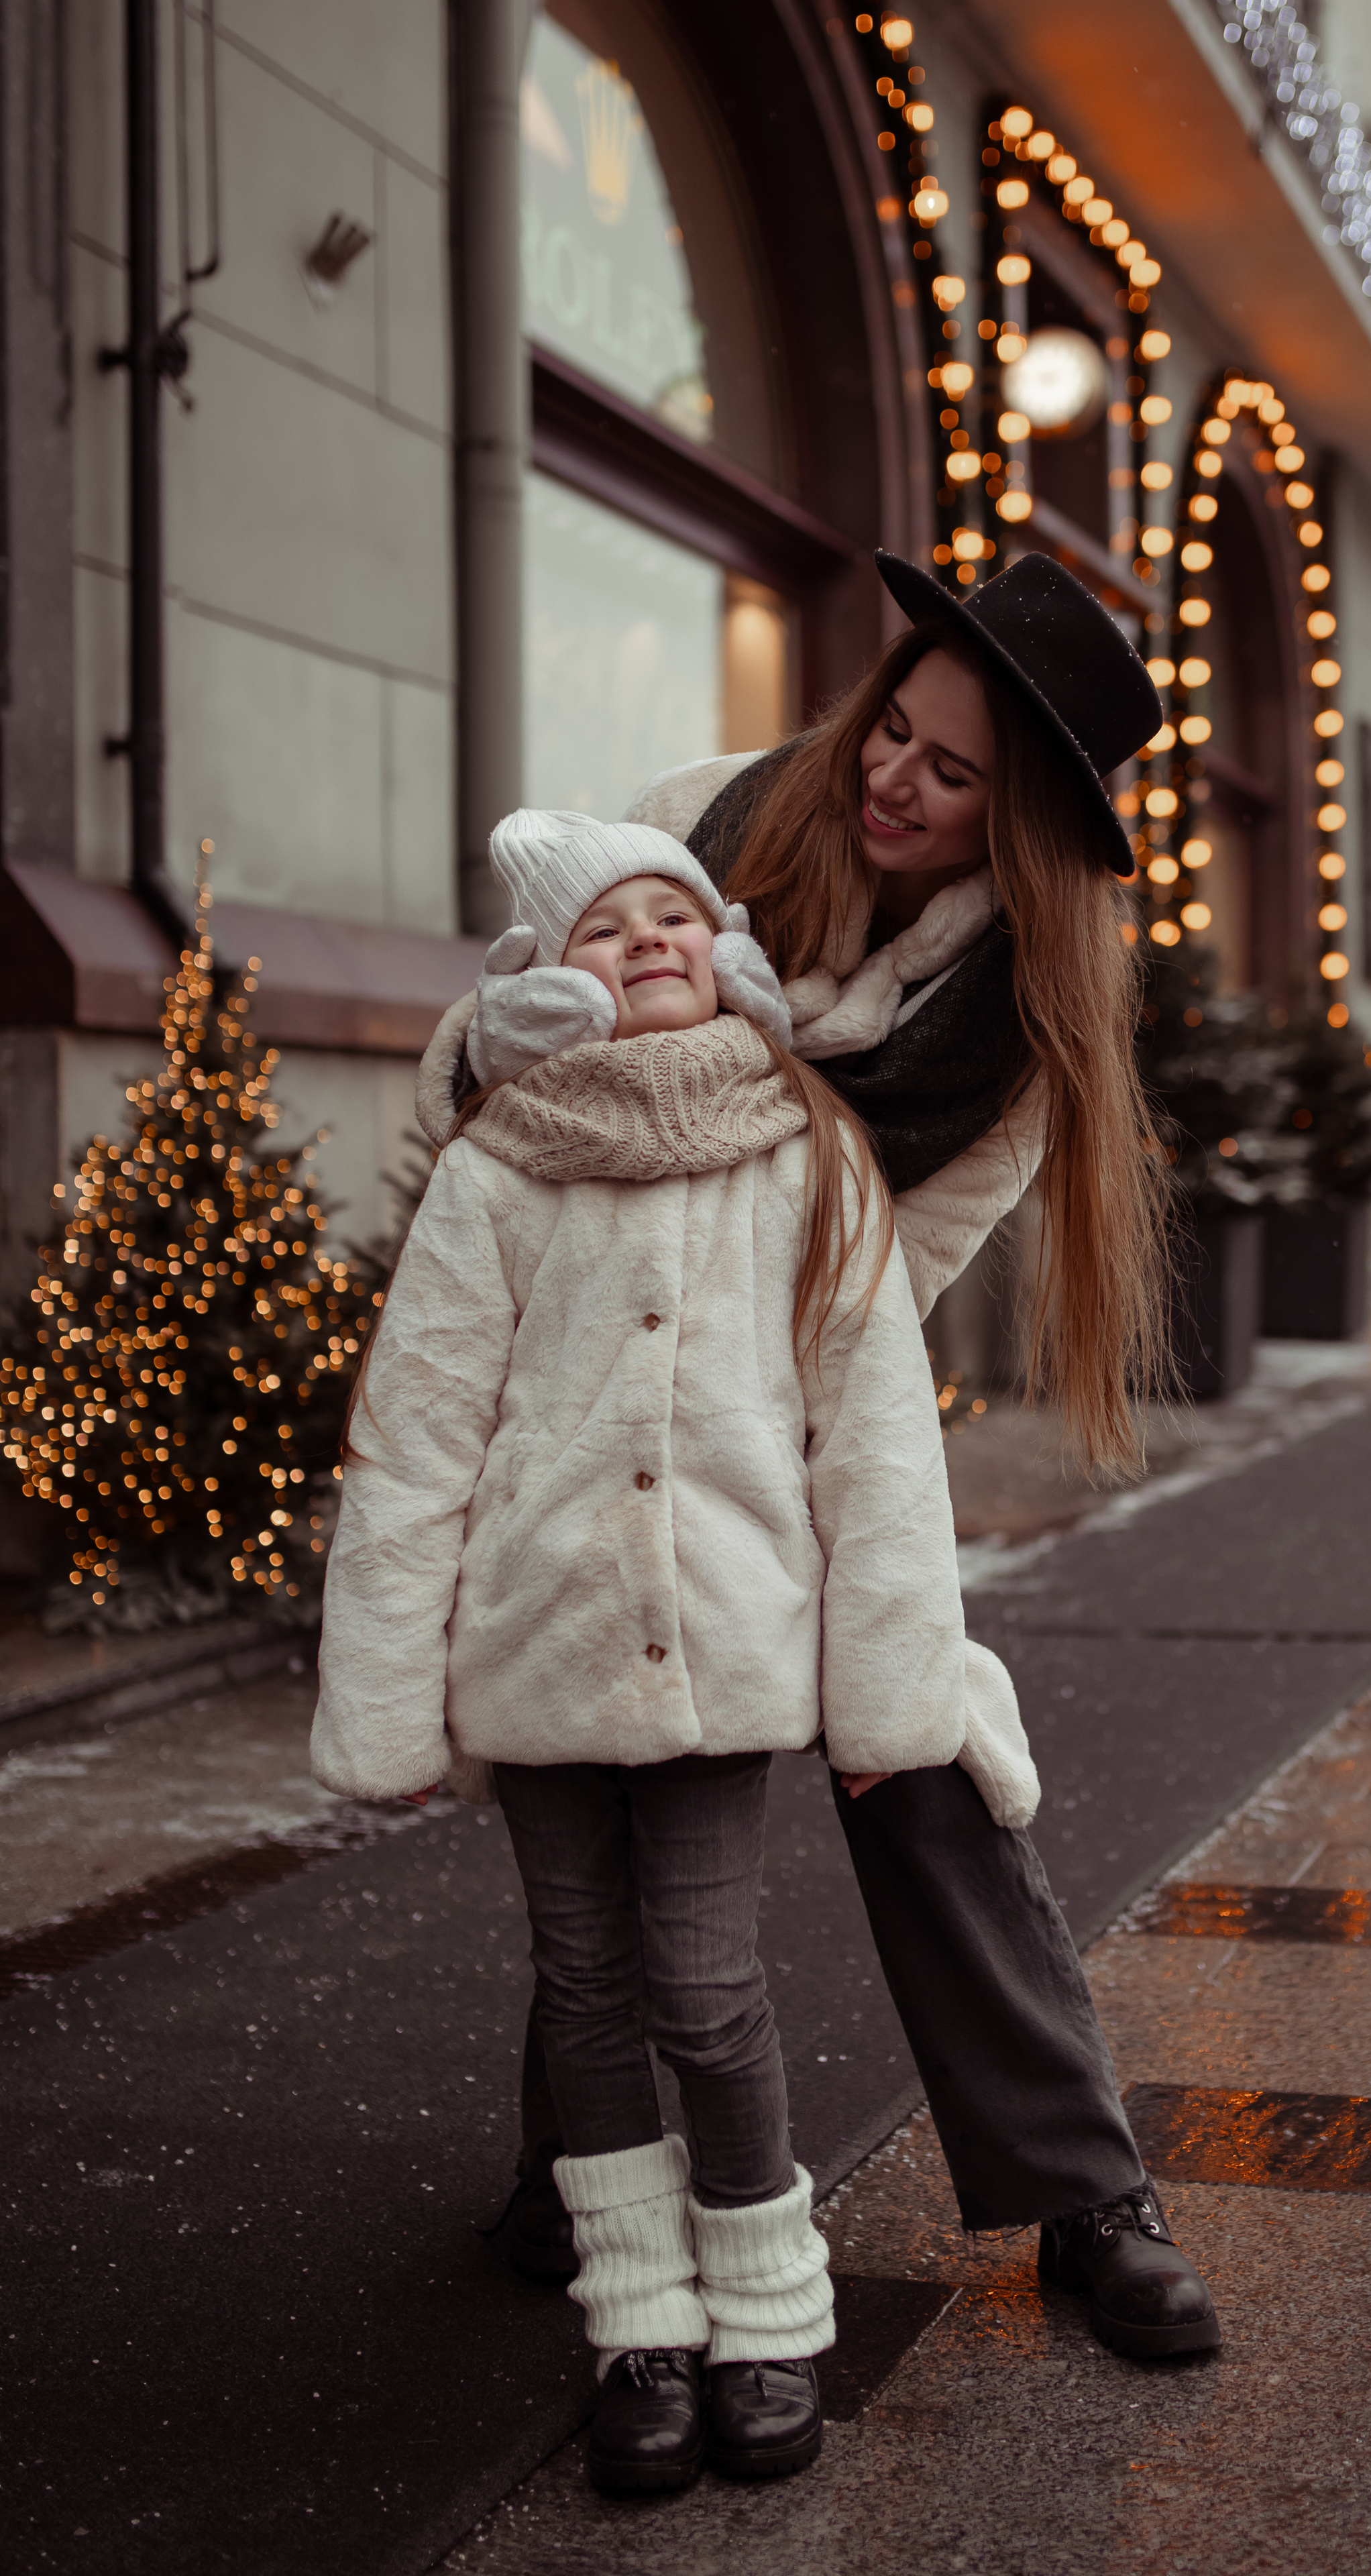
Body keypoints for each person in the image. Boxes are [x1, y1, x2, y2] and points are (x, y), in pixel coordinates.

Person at [429, 549, 1223, 2368]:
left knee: (926, 1753)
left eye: (950, 774)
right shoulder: (682, 829)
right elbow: (492, 1096)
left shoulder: (1012, 1046)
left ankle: (1090, 2192)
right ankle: (576, 2176)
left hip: (798, 1413)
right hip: (589, 1386)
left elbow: (878, 1286)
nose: (893, 776)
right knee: (610, 1760)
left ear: (1013, 831)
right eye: (898, 724)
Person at [313, 812, 1041, 2495]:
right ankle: (637, 2317)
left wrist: (889, 1689)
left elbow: (870, 1438)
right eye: (604, 926)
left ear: (719, 950)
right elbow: (420, 1433)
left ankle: (770, 2309)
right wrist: (386, 1693)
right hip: (537, 1645)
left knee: (705, 1987)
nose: (644, 936)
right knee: (584, 1987)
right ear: (545, 983)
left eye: (670, 912)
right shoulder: (500, 1166)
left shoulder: (799, 1147)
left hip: (720, 1642)